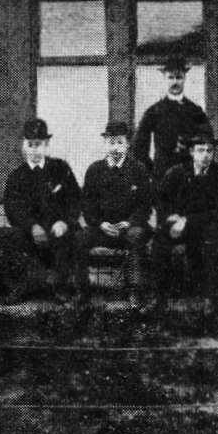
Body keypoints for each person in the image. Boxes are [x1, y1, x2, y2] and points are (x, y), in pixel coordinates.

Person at [1, 116, 82, 300]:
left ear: (46, 145)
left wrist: (64, 222)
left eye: (39, 144)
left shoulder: (61, 169)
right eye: (30, 144)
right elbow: (13, 208)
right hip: (31, 229)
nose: (34, 150)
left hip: (58, 227)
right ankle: (22, 286)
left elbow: (75, 200)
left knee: (70, 237)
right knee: (13, 238)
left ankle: (61, 287)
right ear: (24, 146)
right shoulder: (17, 176)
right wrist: (32, 226)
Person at [75, 120, 154, 302]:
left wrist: (130, 222)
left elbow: (145, 205)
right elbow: (87, 204)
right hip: (102, 228)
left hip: (129, 227)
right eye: (111, 142)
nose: (115, 148)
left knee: (137, 235)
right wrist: (100, 224)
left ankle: (134, 289)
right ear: (105, 144)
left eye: (120, 142)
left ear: (127, 144)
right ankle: (82, 290)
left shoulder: (138, 170)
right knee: (79, 239)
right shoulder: (95, 170)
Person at [153, 129, 218, 298]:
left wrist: (186, 220)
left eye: (209, 151)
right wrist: (171, 217)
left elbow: (217, 210)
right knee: (160, 239)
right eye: (200, 150)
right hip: (179, 224)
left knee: (214, 236)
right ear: (191, 152)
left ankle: (210, 297)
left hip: (208, 223)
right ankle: (161, 295)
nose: (205, 155)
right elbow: (161, 200)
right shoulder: (176, 173)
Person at [134, 54, 209, 174]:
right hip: (162, 174)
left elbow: (207, 140)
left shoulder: (195, 111)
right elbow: (139, 147)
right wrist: (152, 172)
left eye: (179, 77)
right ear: (165, 78)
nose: (175, 82)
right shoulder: (154, 111)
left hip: (189, 174)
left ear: (184, 78)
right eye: (171, 77)